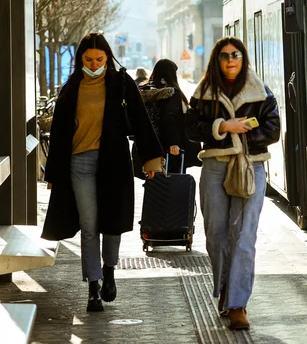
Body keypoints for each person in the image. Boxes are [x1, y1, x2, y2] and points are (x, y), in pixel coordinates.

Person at [41, 33, 163, 312]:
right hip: (79, 164)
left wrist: (151, 160)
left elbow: (142, 120)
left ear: (108, 58)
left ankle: (109, 269)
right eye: (88, 59)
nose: (94, 64)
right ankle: (93, 287)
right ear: (80, 59)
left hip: (114, 163)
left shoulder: (121, 83)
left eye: (99, 59)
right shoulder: (72, 87)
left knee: (112, 223)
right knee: (89, 224)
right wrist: (54, 175)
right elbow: (60, 133)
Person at [186, 37, 281, 330]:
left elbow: (274, 129)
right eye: (225, 56)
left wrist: (243, 135)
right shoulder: (203, 93)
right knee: (215, 234)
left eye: (236, 55)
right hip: (215, 165)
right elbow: (189, 128)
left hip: (251, 167)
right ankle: (225, 288)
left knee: (243, 236)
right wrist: (223, 127)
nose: (230, 61)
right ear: (216, 60)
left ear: (243, 58)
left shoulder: (261, 91)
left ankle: (238, 304)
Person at [133, 59, 201, 176]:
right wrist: (173, 142)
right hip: (168, 149)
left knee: (153, 183)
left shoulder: (144, 91)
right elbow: (170, 119)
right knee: (171, 183)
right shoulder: (171, 93)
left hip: (147, 146)